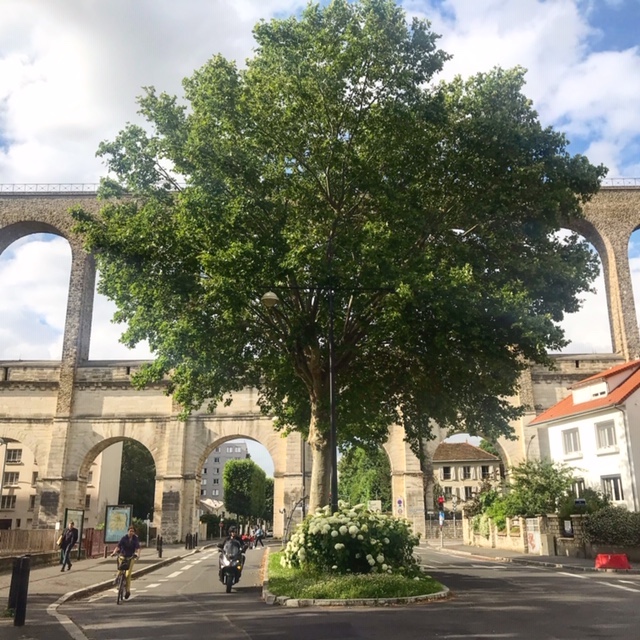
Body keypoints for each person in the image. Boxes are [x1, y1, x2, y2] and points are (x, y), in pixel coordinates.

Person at [110, 525, 141, 599]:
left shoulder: (135, 539)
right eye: (130, 531)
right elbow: (118, 546)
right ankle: (118, 578)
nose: (131, 532)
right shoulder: (124, 538)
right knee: (120, 569)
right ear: (128, 531)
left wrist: (138, 555)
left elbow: (138, 548)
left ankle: (127, 591)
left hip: (130, 557)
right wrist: (114, 553)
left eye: (133, 531)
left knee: (128, 575)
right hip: (123, 555)